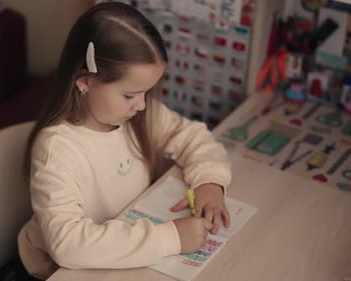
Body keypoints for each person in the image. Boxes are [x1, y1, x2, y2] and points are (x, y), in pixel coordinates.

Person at [17, 2, 232, 279]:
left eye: (146, 92)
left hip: (120, 250)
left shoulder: (136, 115)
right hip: (57, 271)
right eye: (130, 95)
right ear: (85, 81)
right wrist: (170, 238)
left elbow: (192, 136)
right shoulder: (56, 149)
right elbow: (67, 245)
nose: (142, 105)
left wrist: (210, 181)